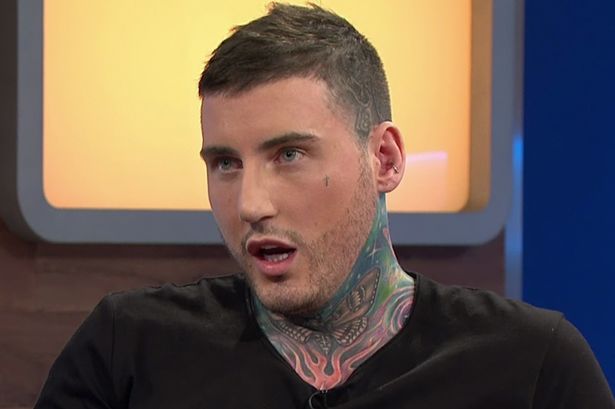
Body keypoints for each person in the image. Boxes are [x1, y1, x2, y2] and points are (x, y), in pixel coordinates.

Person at [35, 3, 614, 408]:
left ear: (384, 159)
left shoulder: (533, 366)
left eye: (288, 155)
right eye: (226, 164)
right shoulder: (127, 349)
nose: (250, 204)